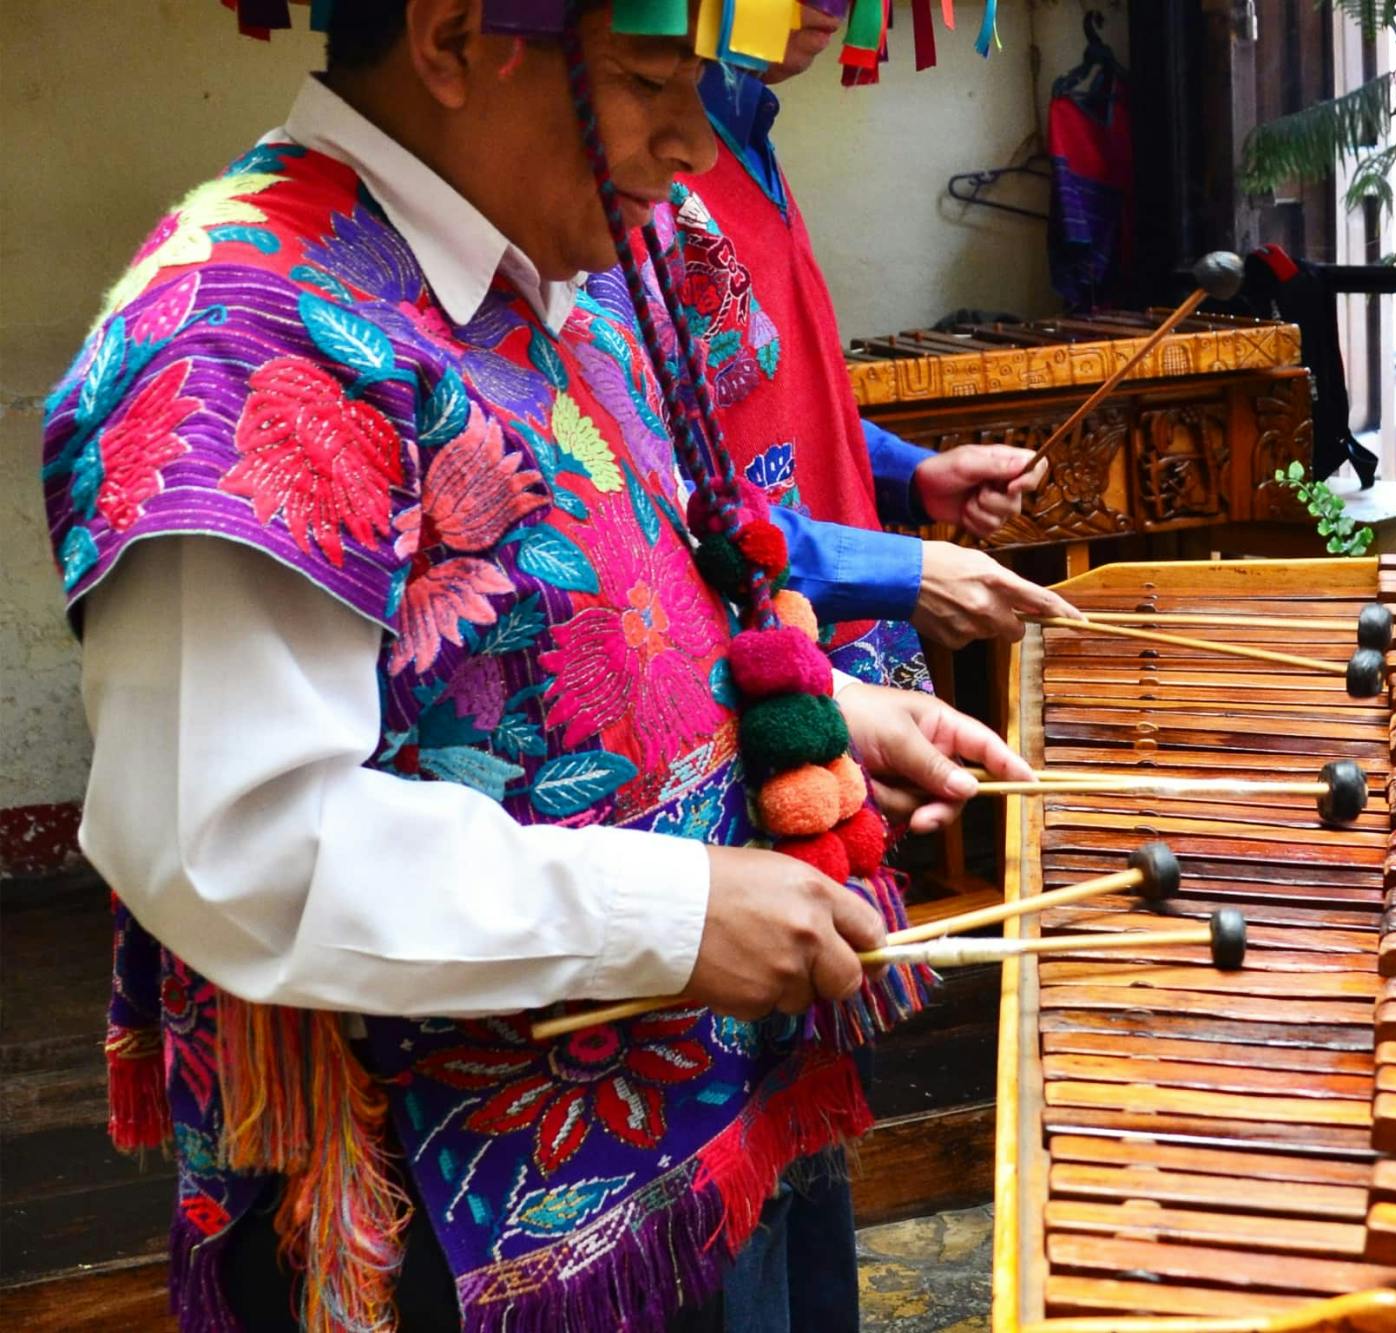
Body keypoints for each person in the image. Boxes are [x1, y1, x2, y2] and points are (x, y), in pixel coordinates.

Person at [43, 2, 1031, 1328]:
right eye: (643, 78)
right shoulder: (233, 337)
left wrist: (831, 712)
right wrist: (672, 914)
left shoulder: (558, 262)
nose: (690, 137)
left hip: (700, 1131)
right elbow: (230, 840)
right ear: (454, 40)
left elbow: (635, 585)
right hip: (455, 1230)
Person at [682, 0, 1078, 690]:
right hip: (762, 665)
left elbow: (773, 406)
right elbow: (666, 493)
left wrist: (914, 477)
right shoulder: (650, 179)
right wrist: (901, 573)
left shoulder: (749, 131)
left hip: (848, 642)